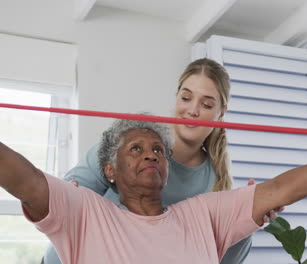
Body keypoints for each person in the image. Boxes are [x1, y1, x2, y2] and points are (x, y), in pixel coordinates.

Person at [0, 118, 307, 263]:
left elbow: (279, 190)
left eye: (158, 149)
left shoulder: (201, 214)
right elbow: (27, 179)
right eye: (136, 149)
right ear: (110, 169)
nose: (151, 155)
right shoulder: (84, 212)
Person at [43, 58, 271, 264]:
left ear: (221, 113)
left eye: (207, 104)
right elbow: (68, 196)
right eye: (186, 97)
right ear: (176, 98)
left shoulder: (215, 181)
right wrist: (67, 192)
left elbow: (221, 256)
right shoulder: (130, 141)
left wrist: (251, 217)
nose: (192, 110)